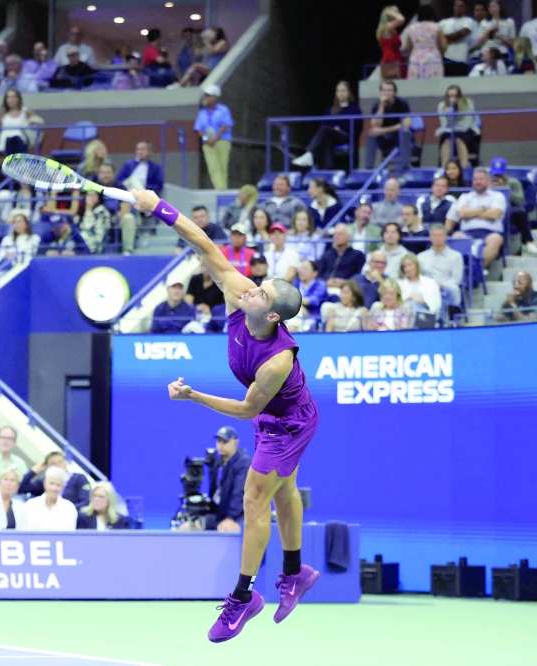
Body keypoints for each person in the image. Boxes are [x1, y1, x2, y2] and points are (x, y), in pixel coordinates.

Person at [130, 187, 319, 641]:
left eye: (261, 293)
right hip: (272, 417)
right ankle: (295, 572)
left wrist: (194, 397)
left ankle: (243, 597)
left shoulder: (278, 360)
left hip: (287, 423)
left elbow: (247, 408)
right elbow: (206, 245)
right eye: (257, 284)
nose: (251, 288)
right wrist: (158, 207)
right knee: (282, 490)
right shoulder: (239, 295)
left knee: (254, 499)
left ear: (273, 316)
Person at [292, 81, 363, 169]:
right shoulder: (330, 111)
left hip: (346, 136)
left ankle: (310, 154)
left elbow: (357, 126)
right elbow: (322, 126)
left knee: (325, 131)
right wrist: (333, 129)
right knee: (325, 136)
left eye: (343, 91)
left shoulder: (354, 109)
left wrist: (340, 129)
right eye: (338, 91)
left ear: (349, 93)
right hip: (331, 136)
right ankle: (327, 168)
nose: (340, 93)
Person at [446, 168, 505, 269]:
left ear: (488, 180)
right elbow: (461, 214)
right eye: (475, 179)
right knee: (456, 236)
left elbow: (494, 215)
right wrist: (484, 209)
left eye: (481, 179)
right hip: (467, 233)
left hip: (490, 233)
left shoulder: (497, 196)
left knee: (496, 239)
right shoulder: (465, 197)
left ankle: (477, 270)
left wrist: (470, 212)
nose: (477, 182)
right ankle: (464, 269)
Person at [365, 80, 412, 172]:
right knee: (371, 135)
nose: (387, 93)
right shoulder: (376, 105)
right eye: (384, 90)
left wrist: (383, 130)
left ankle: (405, 167)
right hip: (384, 138)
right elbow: (375, 125)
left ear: (395, 92)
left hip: (398, 136)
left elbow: (406, 124)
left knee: (405, 132)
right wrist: (382, 106)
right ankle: (368, 170)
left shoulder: (402, 103)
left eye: (390, 90)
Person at [194, 85, 233, 190]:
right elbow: (199, 129)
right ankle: (220, 189)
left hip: (222, 141)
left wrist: (216, 137)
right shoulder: (202, 113)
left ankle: (223, 189)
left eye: (209, 96)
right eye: (206, 96)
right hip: (208, 143)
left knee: (222, 166)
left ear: (215, 97)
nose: (207, 98)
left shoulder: (223, 110)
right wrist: (207, 139)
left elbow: (225, 124)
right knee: (213, 167)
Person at [23, 466, 77, 531]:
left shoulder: (69, 508)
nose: (54, 488)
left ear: (63, 488)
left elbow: (69, 535)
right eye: (52, 483)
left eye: (58, 485)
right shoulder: (31, 505)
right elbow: (25, 531)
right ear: (45, 484)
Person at [436, 85, 478, 169]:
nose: (452, 99)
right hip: (450, 130)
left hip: (466, 130)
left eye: (454, 96)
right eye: (449, 96)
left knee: (459, 139)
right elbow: (443, 124)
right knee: (447, 140)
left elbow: (467, 123)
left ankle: (464, 168)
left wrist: (457, 112)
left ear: (459, 96)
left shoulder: (468, 103)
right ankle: (445, 169)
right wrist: (448, 115)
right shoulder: (442, 105)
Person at [403, 5, 446, 79]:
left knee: (415, 83)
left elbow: (407, 48)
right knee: (435, 83)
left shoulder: (411, 28)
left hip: (416, 58)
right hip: (433, 57)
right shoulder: (437, 27)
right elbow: (444, 45)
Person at [440, 0, 479, 76]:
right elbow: (438, 38)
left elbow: (463, 33)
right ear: (453, 7)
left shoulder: (468, 21)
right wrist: (451, 37)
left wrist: (446, 38)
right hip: (447, 58)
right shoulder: (443, 22)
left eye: (461, 6)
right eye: (457, 6)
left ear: (465, 8)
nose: (458, 8)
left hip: (461, 59)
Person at [377, 6, 406, 79]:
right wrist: (388, 12)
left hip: (396, 59)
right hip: (390, 60)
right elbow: (401, 19)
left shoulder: (390, 29)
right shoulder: (387, 28)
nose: (398, 14)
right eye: (396, 12)